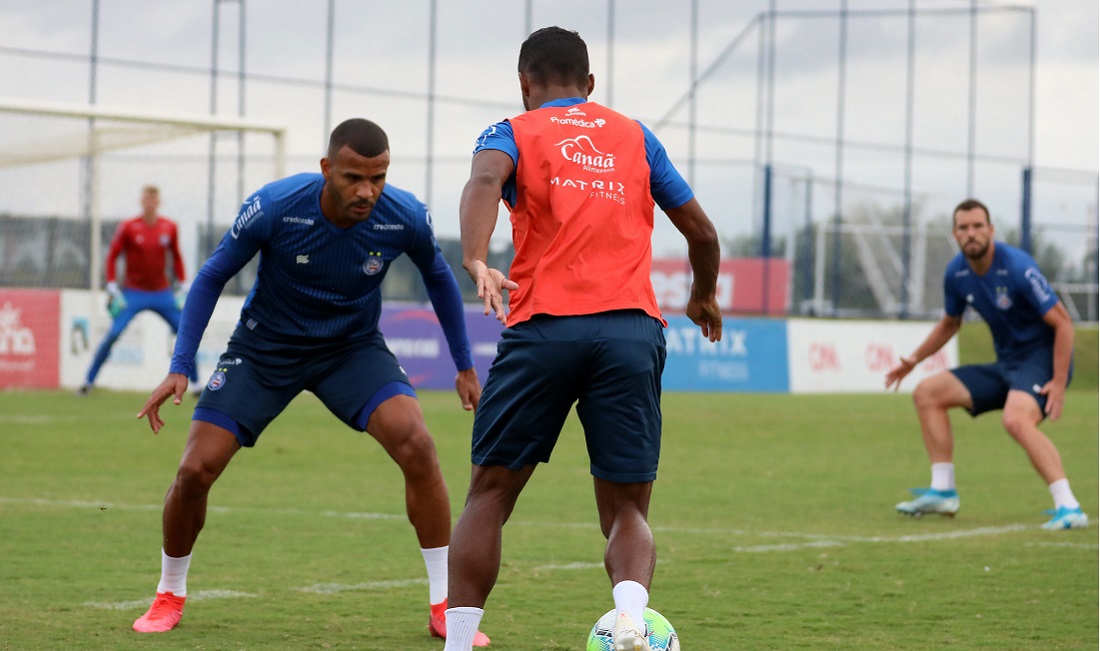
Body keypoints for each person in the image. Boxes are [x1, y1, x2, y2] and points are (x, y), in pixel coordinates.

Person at [132, 118, 490, 646]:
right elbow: (212, 275)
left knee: (417, 443)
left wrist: (463, 363)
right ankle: (169, 592)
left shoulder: (404, 216)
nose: (367, 191)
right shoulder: (276, 206)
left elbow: (438, 276)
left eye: (379, 177)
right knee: (194, 470)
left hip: (351, 350)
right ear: (326, 170)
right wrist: (180, 365)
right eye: (352, 178)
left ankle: (444, 604)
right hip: (264, 350)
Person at [443, 27, 722, 651]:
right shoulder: (635, 136)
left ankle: (459, 644)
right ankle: (630, 620)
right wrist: (703, 293)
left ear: (524, 84)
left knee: (489, 494)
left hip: (543, 328)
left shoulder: (511, 131)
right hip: (629, 330)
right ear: (590, 84)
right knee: (627, 508)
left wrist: (476, 257)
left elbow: (485, 183)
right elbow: (702, 233)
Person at [885, 198, 1088, 531]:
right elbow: (951, 323)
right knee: (927, 393)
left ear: (991, 230)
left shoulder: (1019, 268)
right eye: (964, 228)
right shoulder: (957, 273)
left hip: (1040, 362)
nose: (971, 233)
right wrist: (912, 360)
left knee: (1016, 420)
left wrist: (1060, 381)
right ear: (955, 234)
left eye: (978, 226)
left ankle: (1069, 507)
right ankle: (942, 490)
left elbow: (1064, 324)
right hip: (1006, 364)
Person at [79, 185, 198, 394]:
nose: (150, 203)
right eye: (146, 199)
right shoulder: (129, 227)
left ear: (158, 202)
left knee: (185, 332)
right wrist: (112, 284)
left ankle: (196, 384)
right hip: (133, 293)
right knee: (114, 333)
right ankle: (88, 382)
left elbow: (177, 256)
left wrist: (183, 284)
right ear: (141, 201)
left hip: (162, 292)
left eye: (153, 199)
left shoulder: (169, 227)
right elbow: (112, 255)